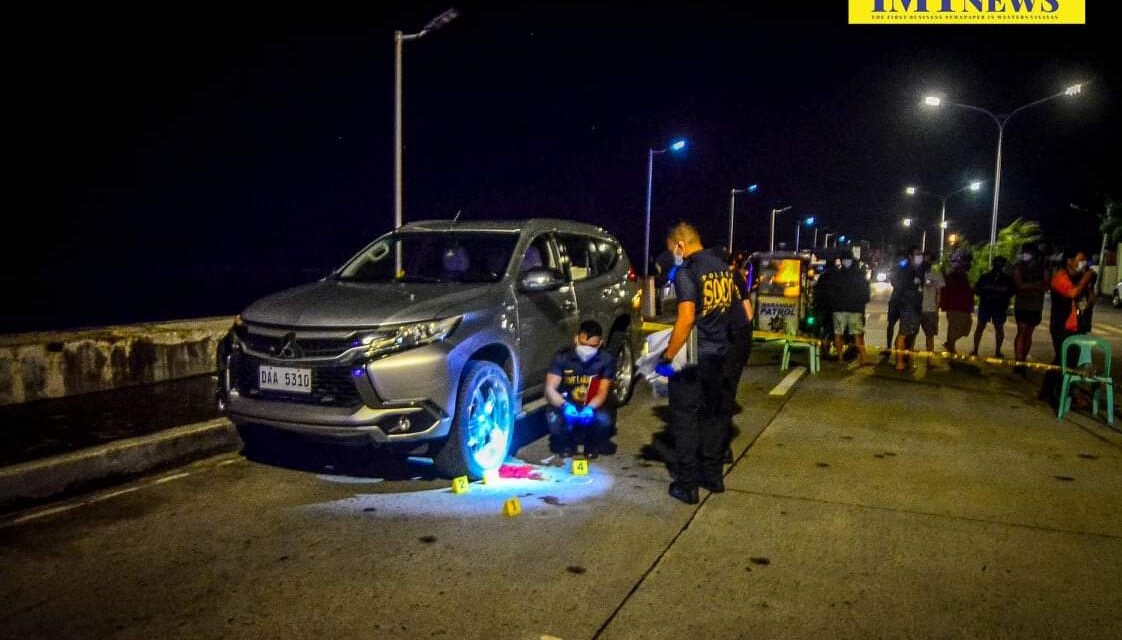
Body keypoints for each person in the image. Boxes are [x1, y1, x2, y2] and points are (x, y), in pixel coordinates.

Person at [654, 222, 738, 504]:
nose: (674, 256)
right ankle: (713, 476)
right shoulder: (723, 269)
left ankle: (687, 483)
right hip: (720, 355)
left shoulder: (687, 272)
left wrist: (667, 356)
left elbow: (686, 318)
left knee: (686, 419)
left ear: (680, 245)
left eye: (673, 250)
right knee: (714, 416)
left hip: (693, 359)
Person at [544, 320, 616, 459]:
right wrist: (564, 405)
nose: (587, 350)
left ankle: (592, 441)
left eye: (592, 346)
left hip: (592, 402)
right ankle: (567, 441)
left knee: (604, 418)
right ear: (576, 339)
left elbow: (602, 391)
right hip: (567, 402)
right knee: (553, 419)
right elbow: (550, 389)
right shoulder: (562, 357)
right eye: (584, 344)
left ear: (600, 343)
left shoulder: (606, 359)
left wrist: (590, 408)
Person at [1040, 248, 1096, 403]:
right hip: (1061, 326)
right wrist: (1086, 279)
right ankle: (1054, 393)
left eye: (1084, 260)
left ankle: (1053, 391)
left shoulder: (1081, 278)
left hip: (1078, 326)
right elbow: (1071, 293)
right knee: (1062, 360)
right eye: (1080, 259)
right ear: (1069, 261)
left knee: (1069, 361)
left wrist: (1089, 285)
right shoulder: (1060, 277)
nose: (1083, 263)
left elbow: (1089, 301)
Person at [1012, 243, 1049, 374]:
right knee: (1022, 332)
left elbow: (1045, 286)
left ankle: (1022, 360)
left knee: (1027, 333)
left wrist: (1027, 285)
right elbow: (1019, 285)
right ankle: (1018, 360)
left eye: (1027, 252)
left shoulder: (1041, 268)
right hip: (1025, 305)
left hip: (1034, 305)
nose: (1025, 255)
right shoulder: (1019, 266)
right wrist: (1035, 285)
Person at [829, 249, 871, 365]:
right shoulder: (859, 274)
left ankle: (840, 358)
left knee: (839, 334)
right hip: (854, 309)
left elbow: (831, 292)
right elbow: (865, 293)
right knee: (858, 335)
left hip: (839, 309)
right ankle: (863, 358)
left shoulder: (836, 274)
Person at [971, 256, 1016, 358]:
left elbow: (1011, 292)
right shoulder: (987, 277)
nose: (999, 265)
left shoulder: (1004, 279)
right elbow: (977, 290)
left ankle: (993, 351)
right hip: (989, 306)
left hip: (996, 307)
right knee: (983, 328)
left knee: (994, 328)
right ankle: (978, 350)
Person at [891, 247, 925, 372]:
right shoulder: (905, 270)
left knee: (913, 334)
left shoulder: (918, 270)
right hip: (907, 306)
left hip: (916, 307)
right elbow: (900, 287)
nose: (919, 256)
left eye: (920, 254)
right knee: (903, 334)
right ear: (910, 256)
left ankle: (909, 361)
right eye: (917, 254)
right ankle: (899, 362)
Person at [940, 251, 974, 355]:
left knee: (965, 327)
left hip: (963, 306)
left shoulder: (962, 276)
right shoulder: (954, 276)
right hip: (955, 306)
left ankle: (950, 343)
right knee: (955, 327)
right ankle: (950, 345)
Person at [919, 251, 945, 356]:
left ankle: (929, 360)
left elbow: (939, 294)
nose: (926, 261)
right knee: (912, 335)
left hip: (929, 309)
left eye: (928, 259)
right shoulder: (915, 274)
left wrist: (936, 309)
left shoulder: (936, 275)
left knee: (929, 336)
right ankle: (909, 360)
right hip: (917, 309)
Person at [884, 250, 909, 356]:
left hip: (905, 302)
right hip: (895, 301)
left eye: (903, 259)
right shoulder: (896, 269)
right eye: (899, 259)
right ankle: (889, 347)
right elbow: (894, 282)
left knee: (904, 328)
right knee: (891, 325)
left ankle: (899, 345)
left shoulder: (910, 270)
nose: (901, 261)